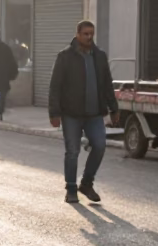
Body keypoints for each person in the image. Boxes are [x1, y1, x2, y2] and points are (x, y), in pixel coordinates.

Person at [48, 20, 119, 204]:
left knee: (100, 146)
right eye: (85, 34)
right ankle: (71, 189)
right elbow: (55, 86)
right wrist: (54, 113)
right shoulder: (65, 56)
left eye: (91, 34)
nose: (89, 37)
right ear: (78, 34)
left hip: (94, 113)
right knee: (72, 151)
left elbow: (107, 85)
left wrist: (114, 108)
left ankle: (87, 183)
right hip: (71, 114)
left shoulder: (99, 56)